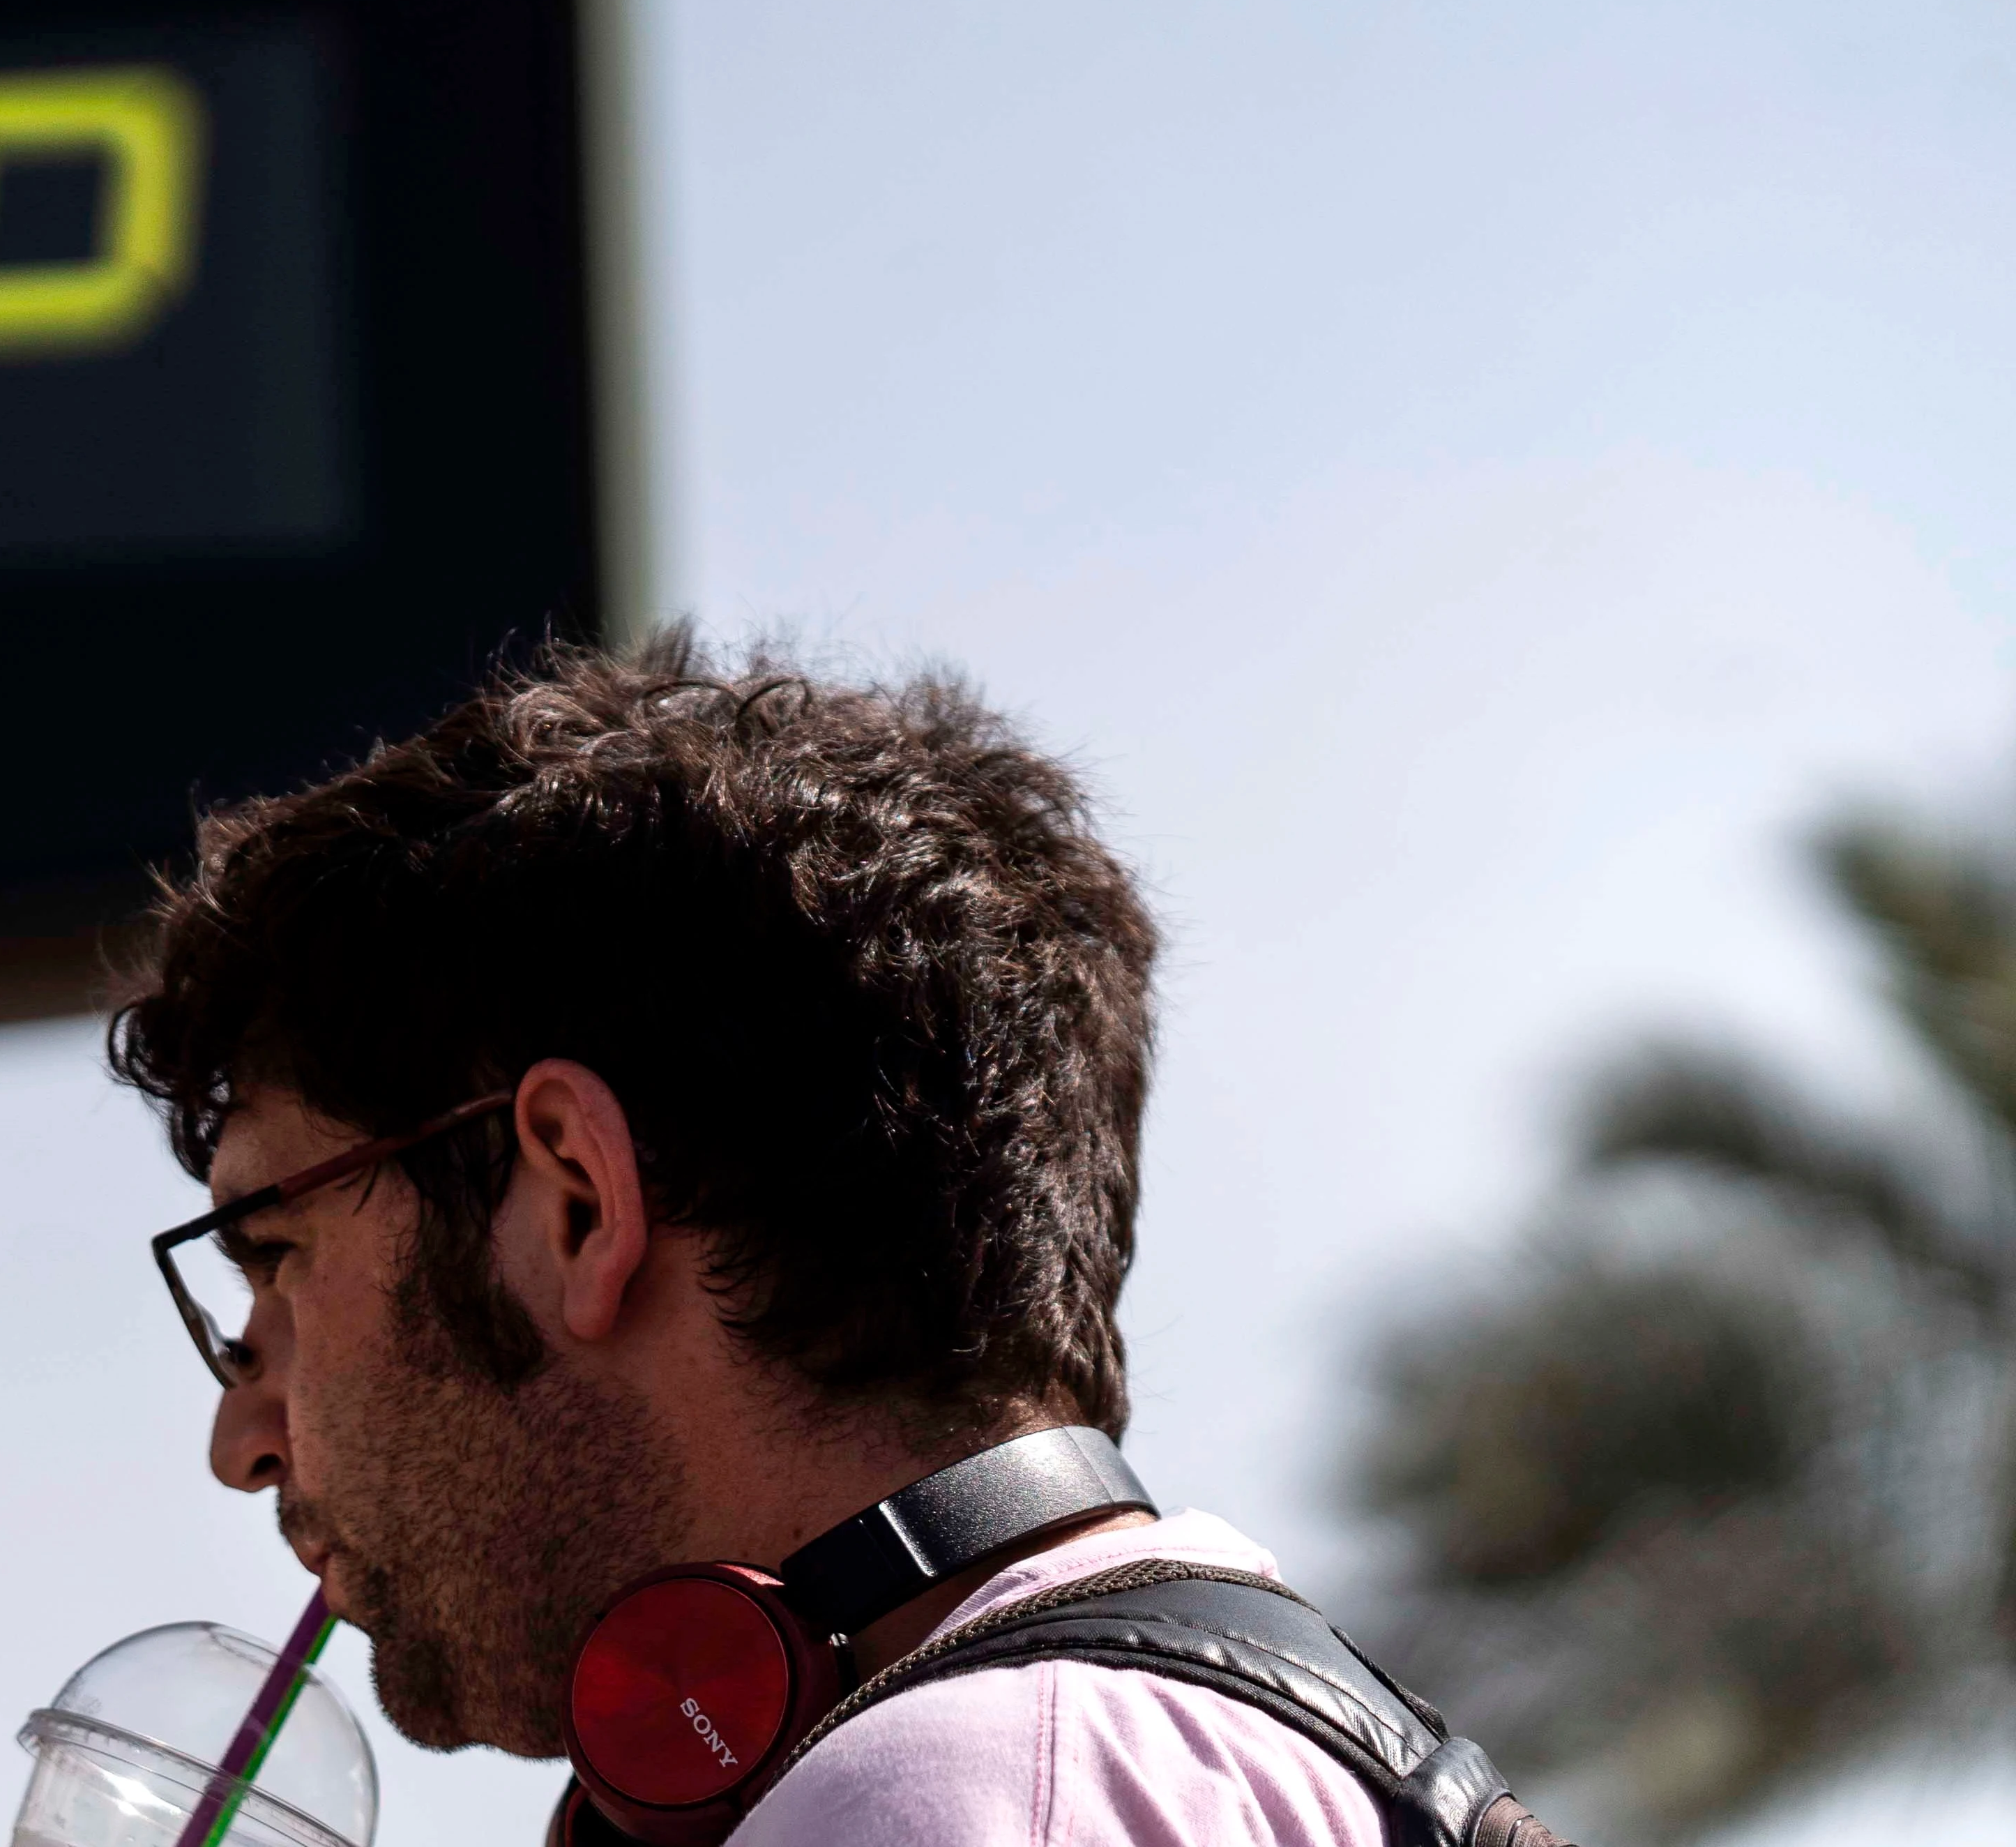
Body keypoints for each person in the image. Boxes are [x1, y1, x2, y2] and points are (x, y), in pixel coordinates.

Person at [108, 633, 1562, 1847]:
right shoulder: (1187, 1753)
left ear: (574, 1198)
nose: (242, 1436)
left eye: (275, 1256)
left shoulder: (960, 1795)